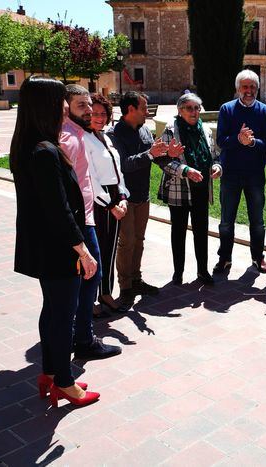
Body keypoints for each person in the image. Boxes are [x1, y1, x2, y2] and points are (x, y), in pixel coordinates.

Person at [11, 76, 99, 407]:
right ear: (47, 105)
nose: (65, 105)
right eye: (61, 99)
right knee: (62, 316)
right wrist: (83, 250)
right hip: (59, 248)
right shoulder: (45, 151)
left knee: (52, 311)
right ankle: (64, 382)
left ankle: (50, 372)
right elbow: (59, 209)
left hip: (44, 247)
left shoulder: (28, 145)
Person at [61, 84, 122, 360]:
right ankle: (80, 338)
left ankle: (81, 335)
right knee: (83, 278)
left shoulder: (84, 134)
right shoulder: (69, 138)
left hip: (87, 215)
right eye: (81, 106)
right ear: (65, 107)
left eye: (91, 106)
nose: (89, 112)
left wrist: (120, 196)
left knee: (90, 275)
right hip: (80, 219)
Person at [111, 91, 179, 309]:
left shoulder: (143, 130)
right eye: (143, 107)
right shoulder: (115, 134)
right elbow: (123, 164)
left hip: (143, 195)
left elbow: (155, 157)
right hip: (124, 198)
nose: (146, 112)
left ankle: (136, 279)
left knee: (139, 240)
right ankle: (125, 287)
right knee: (127, 242)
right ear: (130, 110)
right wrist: (150, 154)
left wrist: (169, 154)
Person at [158, 93, 222, 285]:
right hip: (179, 189)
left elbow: (215, 155)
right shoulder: (171, 130)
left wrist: (217, 167)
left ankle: (203, 270)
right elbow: (162, 159)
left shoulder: (206, 130)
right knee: (178, 232)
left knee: (201, 231)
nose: (194, 112)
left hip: (201, 188)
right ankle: (178, 272)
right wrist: (185, 170)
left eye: (197, 108)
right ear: (180, 110)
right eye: (189, 108)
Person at [215, 69, 266, 275]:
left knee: (257, 221)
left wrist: (252, 143)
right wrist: (238, 139)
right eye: (245, 87)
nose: (249, 91)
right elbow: (221, 140)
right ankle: (224, 258)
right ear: (237, 88)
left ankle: (258, 257)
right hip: (230, 174)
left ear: (257, 89)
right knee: (226, 221)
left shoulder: (265, 112)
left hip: (254, 175)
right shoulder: (226, 109)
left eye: (253, 87)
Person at [83, 93, 130, 316]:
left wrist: (122, 196)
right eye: (94, 113)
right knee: (97, 250)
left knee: (109, 249)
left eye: (103, 113)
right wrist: (111, 204)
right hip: (99, 201)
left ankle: (106, 292)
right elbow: (90, 178)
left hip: (114, 196)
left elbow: (117, 171)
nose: (99, 118)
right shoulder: (83, 140)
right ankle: (90, 299)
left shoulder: (105, 138)